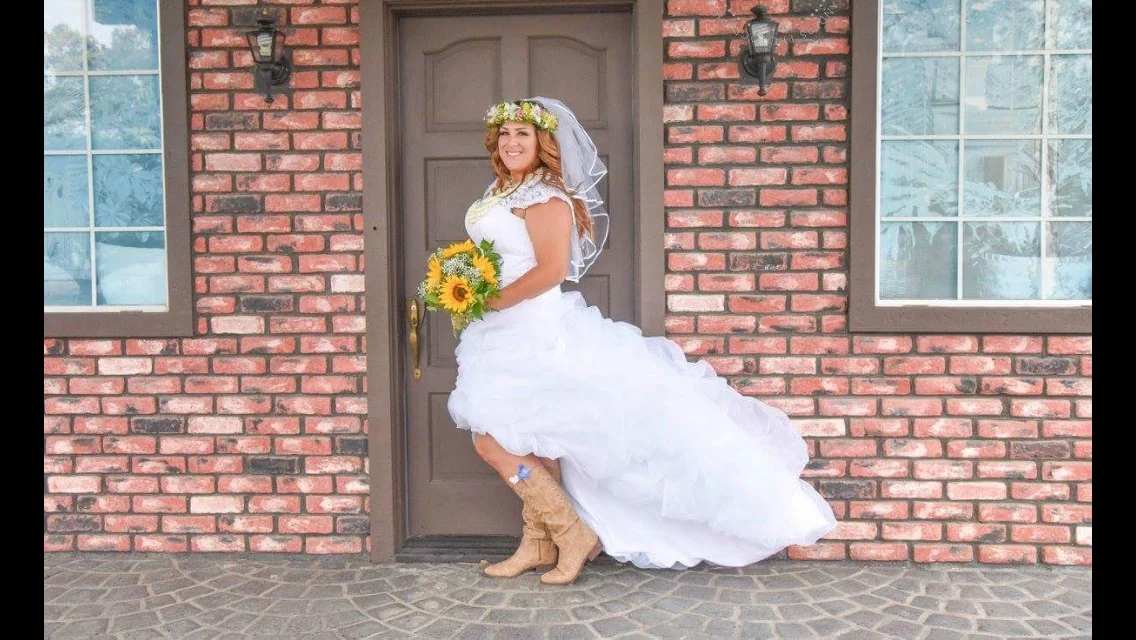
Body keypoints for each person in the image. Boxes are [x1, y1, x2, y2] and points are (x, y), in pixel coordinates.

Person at [447, 98, 837, 585]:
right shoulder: (504, 191)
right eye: (504, 134)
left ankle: (572, 533)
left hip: (534, 330)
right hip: (499, 330)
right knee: (532, 437)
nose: (511, 142)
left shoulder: (546, 196)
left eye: (522, 134)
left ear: (542, 142)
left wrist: (495, 301)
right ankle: (539, 541)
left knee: (491, 438)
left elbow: (551, 271)